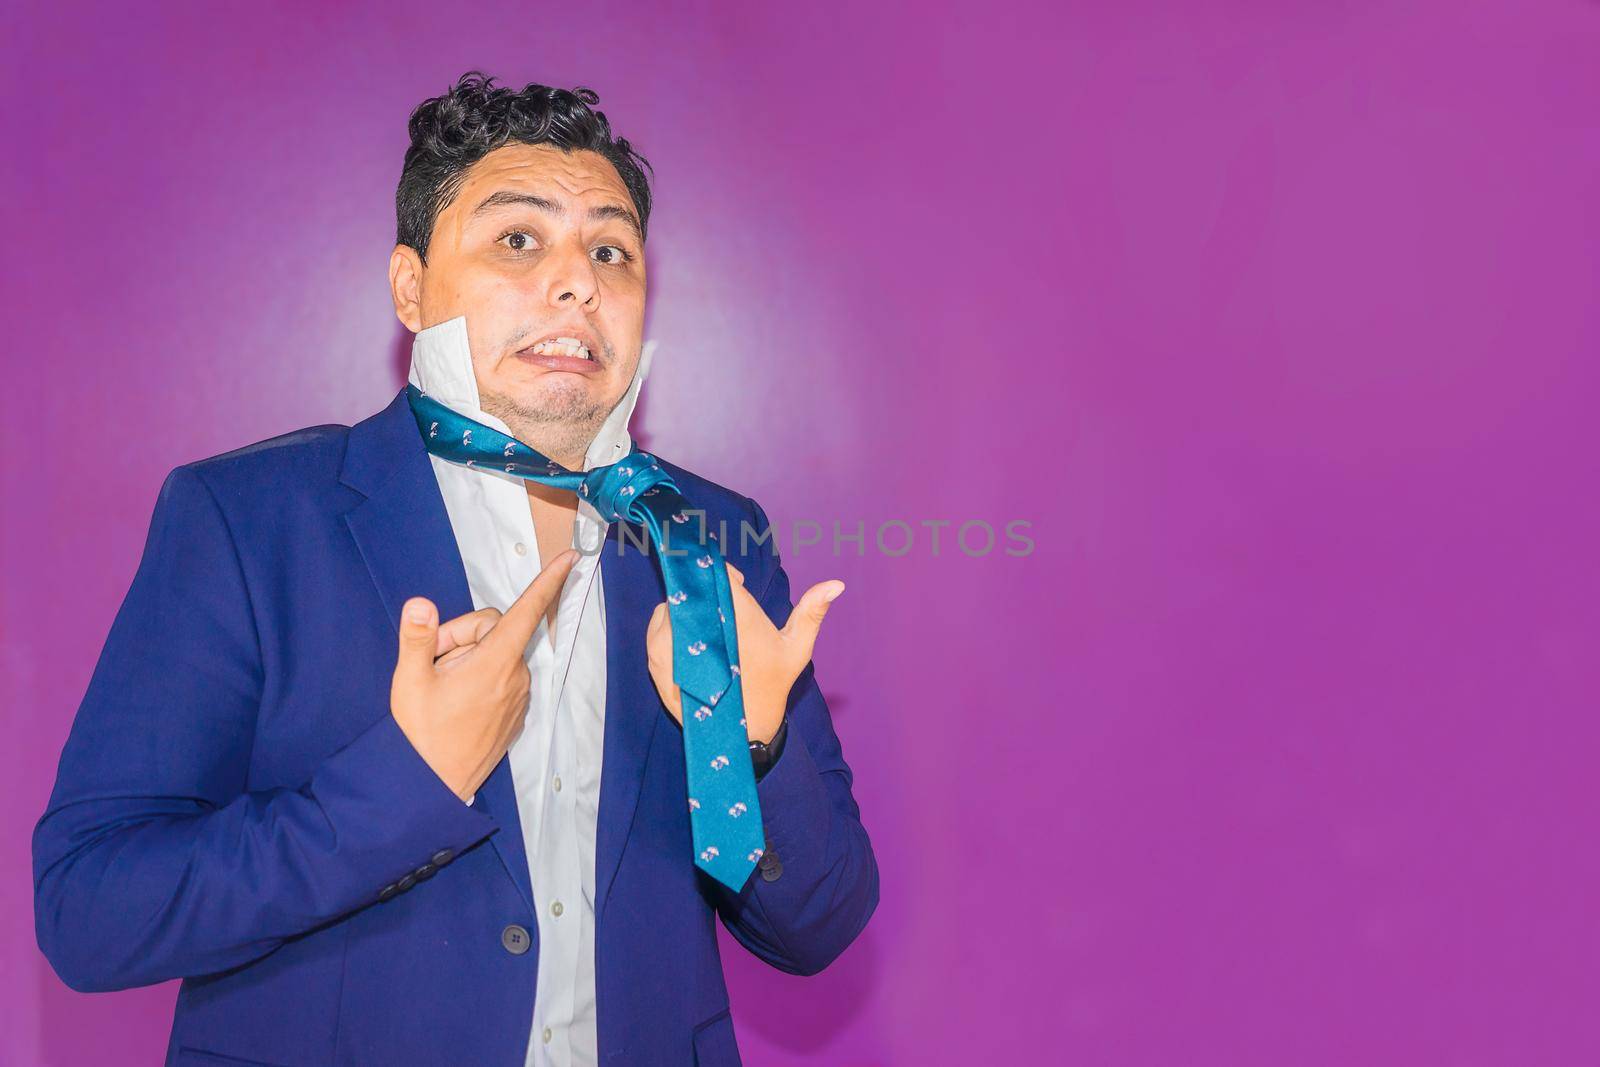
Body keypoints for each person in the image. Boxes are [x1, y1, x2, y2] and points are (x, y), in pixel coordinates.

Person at [32, 71, 878, 1067]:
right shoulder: (248, 518)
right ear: (409, 285)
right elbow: (91, 908)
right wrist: (406, 780)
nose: (579, 282)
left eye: (610, 249)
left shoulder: (707, 538)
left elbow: (817, 925)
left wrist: (755, 746)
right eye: (519, 240)